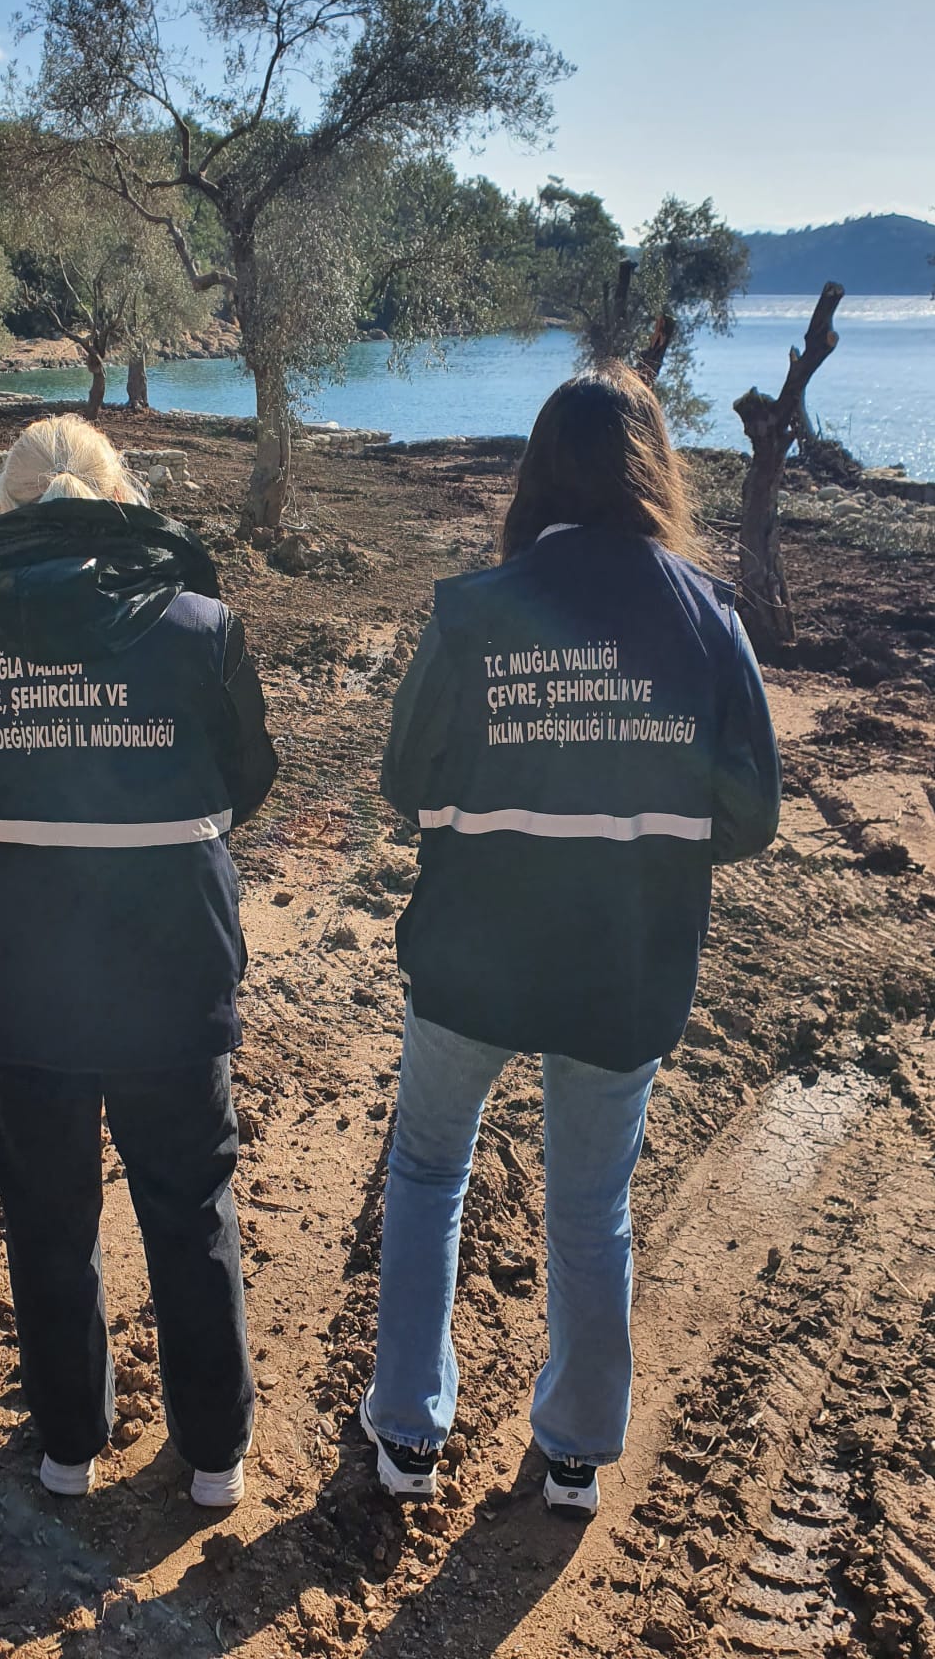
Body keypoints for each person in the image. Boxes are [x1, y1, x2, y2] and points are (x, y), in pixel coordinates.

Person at [362, 369, 780, 1516]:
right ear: (655, 468)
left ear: (538, 469)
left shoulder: (478, 606)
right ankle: (580, 1454)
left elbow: (407, 779)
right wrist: (641, 839)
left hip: (470, 961)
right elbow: (749, 813)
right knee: (590, 1205)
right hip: (622, 964)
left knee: (426, 1173)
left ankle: (407, 1434)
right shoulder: (707, 615)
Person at [0, 415, 278, 1508]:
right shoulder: (203, 627)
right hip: (169, 967)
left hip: (17, 976)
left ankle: (68, 1448)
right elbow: (249, 781)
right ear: (118, 497)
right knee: (188, 1204)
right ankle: (213, 1457)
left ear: (7, 505)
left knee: (46, 1213)